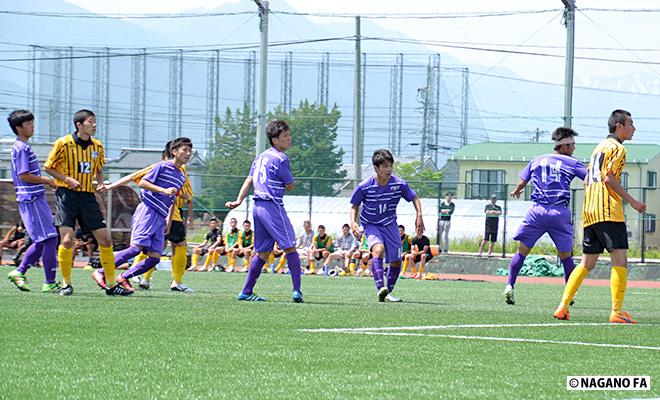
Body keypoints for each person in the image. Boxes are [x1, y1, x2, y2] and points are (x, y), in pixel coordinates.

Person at [554, 110, 646, 324]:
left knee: (587, 262)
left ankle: (563, 306)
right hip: (608, 211)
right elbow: (608, 177)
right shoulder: (618, 148)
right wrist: (631, 201)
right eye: (631, 124)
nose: (634, 128)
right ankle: (617, 311)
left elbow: (589, 179)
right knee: (620, 258)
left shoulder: (599, 148)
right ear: (619, 126)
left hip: (590, 211)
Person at [44, 109, 130, 296]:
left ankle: (111, 284)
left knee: (105, 239)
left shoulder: (97, 146)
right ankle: (66, 284)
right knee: (67, 240)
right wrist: (66, 179)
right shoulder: (63, 143)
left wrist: (100, 182)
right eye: (91, 122)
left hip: (87, 196)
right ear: (79, 125)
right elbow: (48, 167)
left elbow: (98, 167)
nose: (94, 125)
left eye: (95, 122)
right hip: (66, 195)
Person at [93, 137, 192, 293]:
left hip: (161, 216)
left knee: (154, 257)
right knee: (135, 249)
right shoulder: (161, 166)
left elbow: (172, 198)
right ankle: (101, 272)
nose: (188, 153)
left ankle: (124, 277)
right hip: (148, 210)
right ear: (174, 152)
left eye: (190, 151)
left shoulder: (181, 176)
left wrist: (168, 219)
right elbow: (143, 183)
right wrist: (163, 190)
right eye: (185, 150)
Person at [503, 127, 586, 305]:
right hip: (559, 212)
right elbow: (590, 178)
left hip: (536, 212)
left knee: (522, 251)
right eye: (572, 144)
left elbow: (522, 181)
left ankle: (509, 285)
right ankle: (568, 294)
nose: (573, 148)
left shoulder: (537, 160)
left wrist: (517, 191)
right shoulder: (572, 162)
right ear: (563, 146)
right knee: (566, 257)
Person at [225, 119, 303, 302]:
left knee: (262, 252)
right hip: (272, 206)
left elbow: (249, 180)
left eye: (289, 135)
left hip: (257, 206)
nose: (289, 139)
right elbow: (290, 186)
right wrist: (289, 183)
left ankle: (246, 291)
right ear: (275, 140)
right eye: (285, 136)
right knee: (291, 247)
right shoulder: (281, 158)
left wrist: (238, 200)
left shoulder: (260, 156)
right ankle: (297, 291)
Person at [350, 149, 424, 302]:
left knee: (396, 260)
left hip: (390, 224)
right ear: (376, 168)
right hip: (371, 224)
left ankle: (387, 292)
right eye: (385, 166)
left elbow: (414, 198)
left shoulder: (399, 184)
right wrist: (353, 223)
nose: (389, 170)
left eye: (390, 166)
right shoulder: (364, 186)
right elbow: (354, 206)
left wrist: (419, 216)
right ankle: (380, 287)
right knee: (378, 250)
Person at [5, 110, 60, 293]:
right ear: (18, 128)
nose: (32, 126)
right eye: (28, 124)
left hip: (33, 197)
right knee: (50, 238)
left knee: (43, 240)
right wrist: (47, 180)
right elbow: (24, 175)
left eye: (32, 123)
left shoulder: (23, 147)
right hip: (31, 198)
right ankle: (49, 281)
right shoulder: (21, 148)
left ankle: (20, 271)